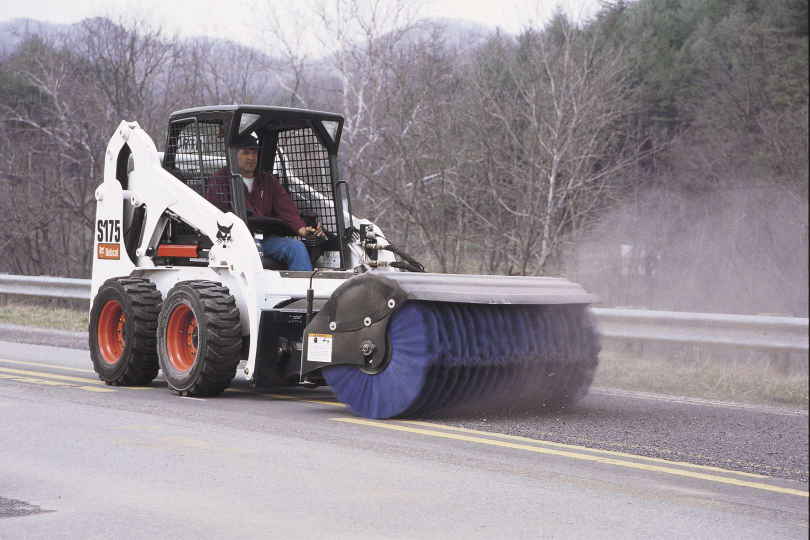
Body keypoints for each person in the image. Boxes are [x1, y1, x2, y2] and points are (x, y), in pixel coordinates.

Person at [206, 134, 325, 271]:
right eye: (245, 153)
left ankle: (305, 290)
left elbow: (286, 208)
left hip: (265, 238)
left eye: (254, 152)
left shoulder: (268, 180)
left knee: (296, 247)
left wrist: (302, 228)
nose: (251, 157)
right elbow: (217, 215)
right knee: (255, 247)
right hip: (236, 240)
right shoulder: (220, 180)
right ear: (233, 154)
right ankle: (257, 291)